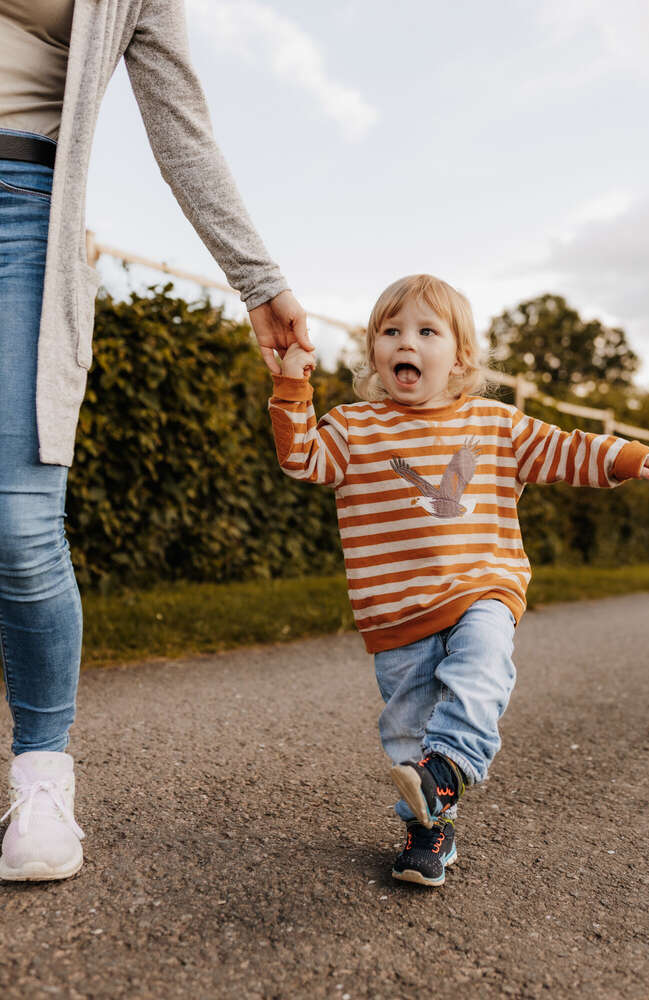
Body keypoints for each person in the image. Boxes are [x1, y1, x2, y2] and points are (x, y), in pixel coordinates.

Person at [0, 0, 311, 882]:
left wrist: (258, 278)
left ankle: (43, 781)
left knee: (21, 530)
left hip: (23, 215)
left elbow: (182, 129)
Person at [268, 273, 649, 887]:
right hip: (395, 611)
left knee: (481, 666)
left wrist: (626, 457)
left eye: (428, 331)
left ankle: (449, 768)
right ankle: (429, 829)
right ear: (374, 349)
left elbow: (566, 449)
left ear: (461, 358)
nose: (408, 342)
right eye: (392, 331)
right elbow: (302, 458)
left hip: (483, 585)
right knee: (407, 731)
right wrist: (292, 383)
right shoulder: (353, 427)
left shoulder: (495, 424)